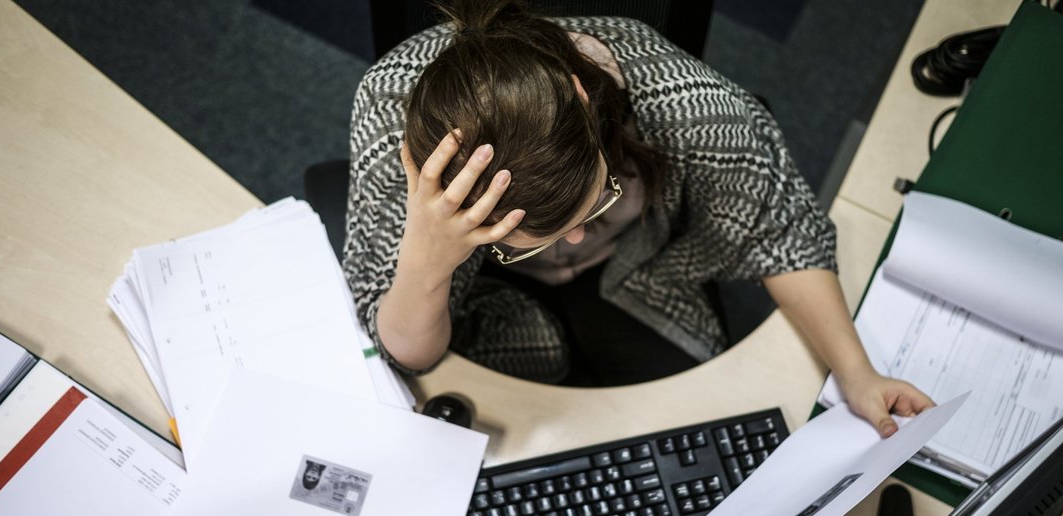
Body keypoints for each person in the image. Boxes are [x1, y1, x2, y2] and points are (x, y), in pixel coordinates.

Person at [343, 0, 932, 437]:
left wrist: (856, 372)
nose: (571, 240)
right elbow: (404, 353)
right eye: (526, 239)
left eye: (592, 203)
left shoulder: (686, 103)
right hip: (480, 298)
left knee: (704, 425)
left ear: (583, 99)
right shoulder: (392, 129)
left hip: (642, 267)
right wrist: (425, 260)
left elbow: (779, 229)